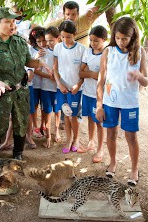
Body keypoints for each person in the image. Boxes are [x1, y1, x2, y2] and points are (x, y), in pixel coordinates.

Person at [0, 7, 50, 160]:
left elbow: (27, 61)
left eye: (14, 21)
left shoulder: (19, 41)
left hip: (20, 91)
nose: (13, 25)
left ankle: (18, 153)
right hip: (1, 93)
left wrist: (39, 63)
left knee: (21, 123)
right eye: (8, 22)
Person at [95, 17, 148, 186]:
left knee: (131, 137)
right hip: (110, 102)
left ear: (133, 37)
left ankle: (134, 168)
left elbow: (146, 81)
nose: (120, 42)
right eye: (117, 38)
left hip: (130, 103)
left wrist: (138, 76)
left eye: (124, 38)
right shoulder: (108, 52)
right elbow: (101, 80)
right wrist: (99, 105)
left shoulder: (140, 53)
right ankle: (113, 161)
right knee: (111, 134)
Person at [53, 20, 86, 154]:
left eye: (69, 36)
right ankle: (69, 139)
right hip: (62, 88)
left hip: (76, 89)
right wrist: (59, 84)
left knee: (74, 116)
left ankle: (76, 139)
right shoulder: (58, 48)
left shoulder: (82, 49)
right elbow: (55, 69)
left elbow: (83, 72)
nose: (65, 40)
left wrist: (78, 85)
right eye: (63, 37)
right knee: (66, 114)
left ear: (75, 34)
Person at [77, 25, 107, 163]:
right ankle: (91, 142)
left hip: (99, 96)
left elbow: (103, 76)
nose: (93, 44)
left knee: (99, 121)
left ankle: (100, 149)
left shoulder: (106, 54)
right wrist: (92, 74)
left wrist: (95, 75)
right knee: (89, 118)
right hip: (87, 92)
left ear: (104, 40)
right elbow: (81, 72)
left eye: (96, 41)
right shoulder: (88, 52)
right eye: (91, 40)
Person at [37, 26, 61, 147]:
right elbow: (37, 70)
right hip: (46, 87)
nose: (48, 43)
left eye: (51, 40)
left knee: (57, 110)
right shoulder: (44, 52)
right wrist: (48, 76)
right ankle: (48, 136)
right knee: (47, 112)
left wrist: (58, 78)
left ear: (58, 38)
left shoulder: (62, 50)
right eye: (47, 40)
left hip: (58, 87)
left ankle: (56, 131)